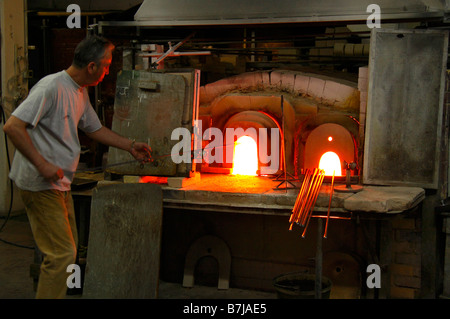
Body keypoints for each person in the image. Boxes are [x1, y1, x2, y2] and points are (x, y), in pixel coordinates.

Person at [2, 35, 152, 299]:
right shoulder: (51, 87)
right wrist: (42, 164)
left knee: (66, 251)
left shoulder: (79, 91)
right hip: (40, 184)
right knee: (61, 255)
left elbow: (94, 128)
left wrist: (130, 145)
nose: (108, 71)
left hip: (59, 184)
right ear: (91, 67)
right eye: (106, 66)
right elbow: (12, 126)